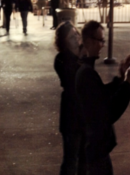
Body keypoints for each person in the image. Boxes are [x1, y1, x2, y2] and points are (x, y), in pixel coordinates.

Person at [76, 21, 130, 175]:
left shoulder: (85, 70)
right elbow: (108, 113)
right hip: (95, 149)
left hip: (93, 147)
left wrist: (120, 79)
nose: (102, 45)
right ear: (89, 41)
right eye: (100, 40)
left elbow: (101, 94)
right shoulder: (86, 74)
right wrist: (128, 84)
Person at [54, 22, 85, 175]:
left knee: (83, 158)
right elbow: (72, 82)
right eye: (71, 36)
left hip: (84, 113)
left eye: (76, 34)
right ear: (63, 41)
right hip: (71, 115)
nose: (76, 38)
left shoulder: (83, 55)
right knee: (71, 159)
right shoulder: (61, 60)